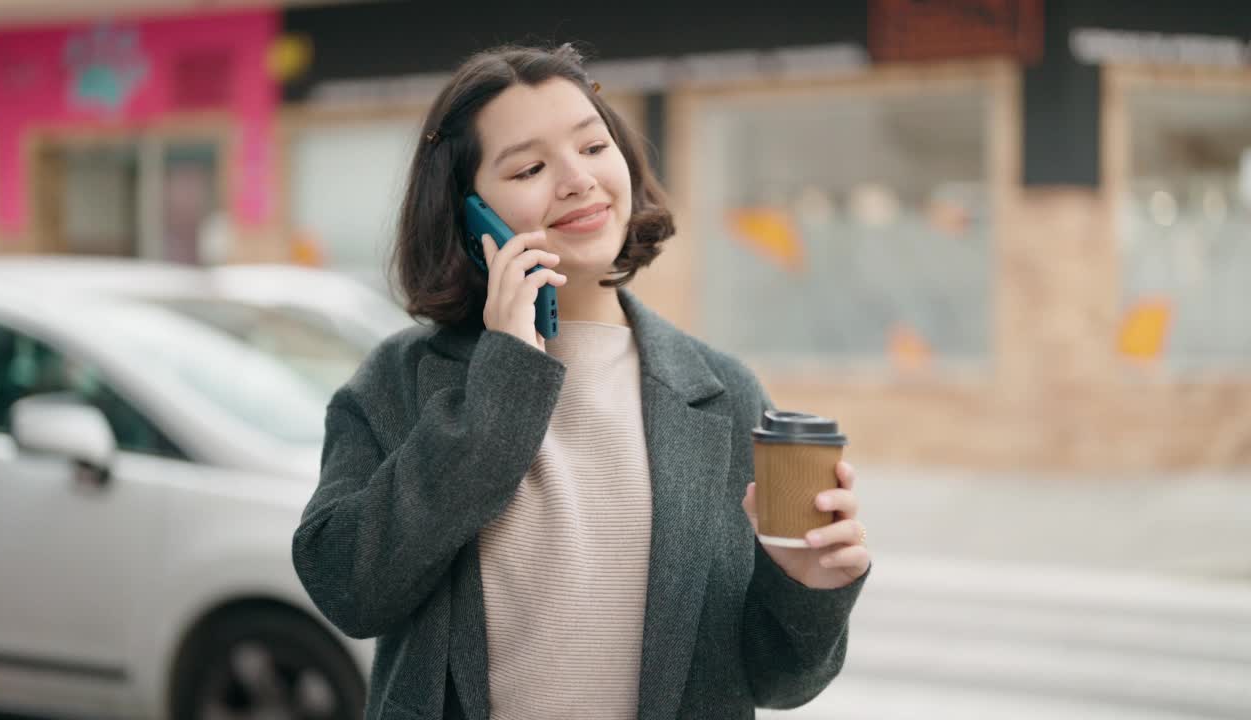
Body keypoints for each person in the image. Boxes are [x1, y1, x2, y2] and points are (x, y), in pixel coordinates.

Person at [291, 42, 870, 720]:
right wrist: (506, 376)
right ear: (469, 213)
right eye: (531, 166)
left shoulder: (722, 391)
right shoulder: (398, 382)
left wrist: (806, 588)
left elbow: (779, 682)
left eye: (593, 148)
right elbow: (348, 589)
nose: (577, 180)